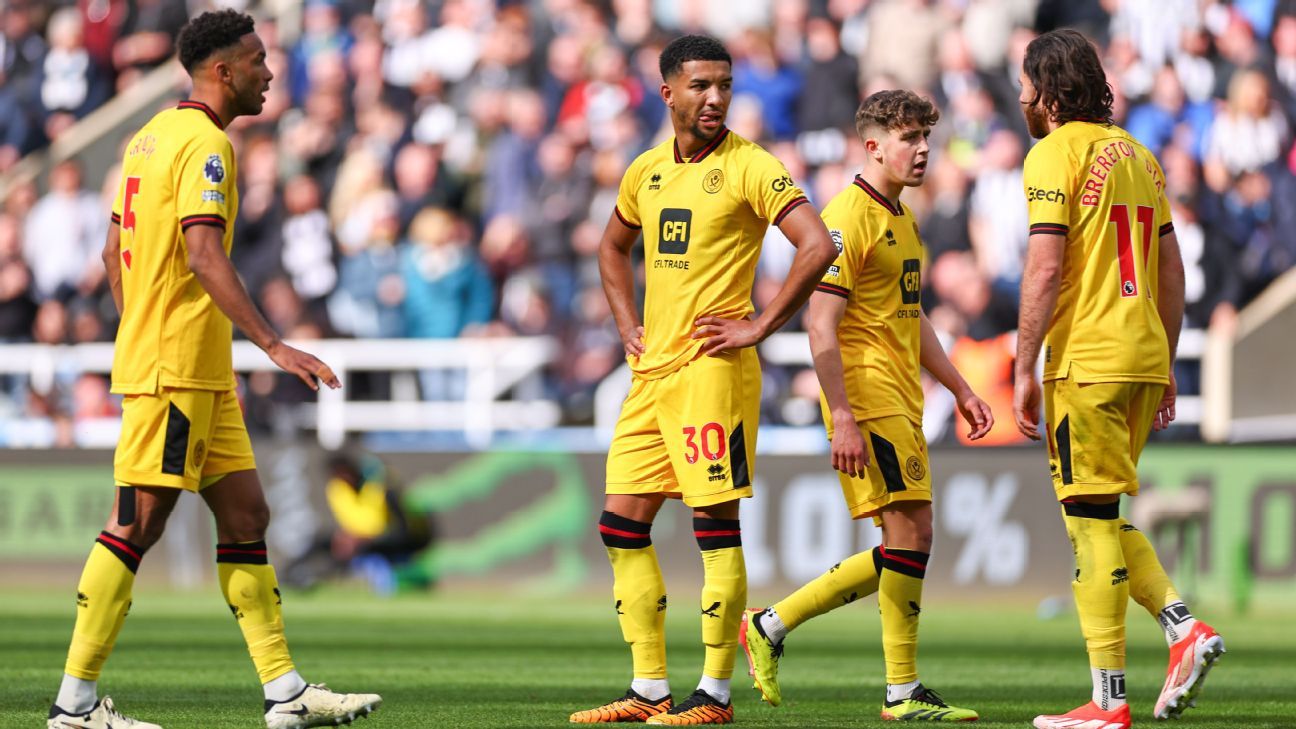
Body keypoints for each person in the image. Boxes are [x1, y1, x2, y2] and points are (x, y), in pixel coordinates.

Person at [47, 11, 381, 729]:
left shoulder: (148, 137)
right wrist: (274, 344)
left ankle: (285, 693)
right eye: (257, 60)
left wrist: (146, 322)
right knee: (136, 523)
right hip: (175, 370)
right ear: (223, 71)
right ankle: (73, 705)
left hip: (198, 369)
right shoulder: (207, 145)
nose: (269, 72)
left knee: (247, 514)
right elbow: (203, 254)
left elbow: (112, 254)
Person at [568, 34, 838, 726]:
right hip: (651, 373)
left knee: (714, 526)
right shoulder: (646, 170)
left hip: (713, 372)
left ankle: (714, 693)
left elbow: (818, 244)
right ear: (668, 93)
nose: (716, 97)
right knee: (620, 525)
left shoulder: (751, 166)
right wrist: (627, 323)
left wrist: (760, 325)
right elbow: (611, 246)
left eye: (724, 85)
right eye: (701, 85)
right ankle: (649, 688)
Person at [740, 90, 992, 723]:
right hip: (867, 395)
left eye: (927, 137)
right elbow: (819, 324)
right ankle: (901, 691)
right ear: (873, 146)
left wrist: (960, 388)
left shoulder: (902, 217)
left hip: (902, 395)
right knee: (913, 533)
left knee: (907, 540)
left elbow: (912, 315)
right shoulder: (846, 218)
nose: (923, 149)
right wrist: (844, 416)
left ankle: (771, 624)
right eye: (910, 138)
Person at [1011, 29, 1224, 729]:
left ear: (1048, 93)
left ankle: (1108, 700)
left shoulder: (1052, 154)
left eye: (1025, 86)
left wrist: (1023, 363)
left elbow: (1045, 265)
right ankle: (1182, 628)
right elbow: (1172, 269)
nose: (1020, 98)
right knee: (1099, 515)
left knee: (1088, 524)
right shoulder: (1139, 155)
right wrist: (1165, 360)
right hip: (1140, 355)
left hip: (1088, 359)